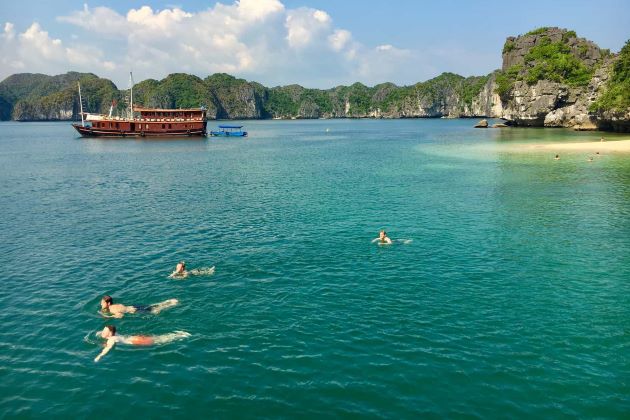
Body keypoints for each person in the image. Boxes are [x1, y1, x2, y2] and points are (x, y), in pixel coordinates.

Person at [94, 325, 190, 362]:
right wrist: (100, 333)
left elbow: (107, 349)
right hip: (134, 338)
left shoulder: (111, 340)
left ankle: (180, 335)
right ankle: (177, 335)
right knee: (157, 338)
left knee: (158, 340)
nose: (102, 332)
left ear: (110, 333)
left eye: (104, 331)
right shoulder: (114, 334)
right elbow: (106, 332)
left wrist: (99, 356)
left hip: (135, 341)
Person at [100, 295, 178, 318]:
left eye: (102, 303)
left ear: (108, 304)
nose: (101, 304)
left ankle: (170, 304)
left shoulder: (112, 309)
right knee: (151, 306)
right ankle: (167, 302)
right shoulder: (116, 305)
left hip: (134, 310)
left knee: (155, 311)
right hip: (133, 306)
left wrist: (110, 317)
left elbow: (121, 315)